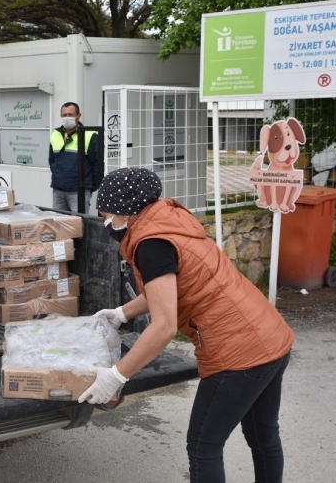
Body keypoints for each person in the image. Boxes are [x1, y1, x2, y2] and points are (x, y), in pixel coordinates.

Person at [79, 167, 294, 483]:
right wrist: (122, 313)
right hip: (270, 336)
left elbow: (164, 327)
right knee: (263, 436)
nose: (105, 221)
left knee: (203, 448)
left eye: (106, 213)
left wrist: (116, 375)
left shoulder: (151, 244)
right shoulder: (169, 222)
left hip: (238, 355)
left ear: (126, 211)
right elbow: (167, 289)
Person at [48, 102, 103, 214]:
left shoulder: (89, 135)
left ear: (78, 116)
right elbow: (52, 160)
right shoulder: (56, 134)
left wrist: (90, 188)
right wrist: (58, 175)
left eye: (70, 114)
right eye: (64, 115)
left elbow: (97, 164)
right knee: (59, 226)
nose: (67, 117)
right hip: (58, 190)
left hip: (79, 192)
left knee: (78, 226)